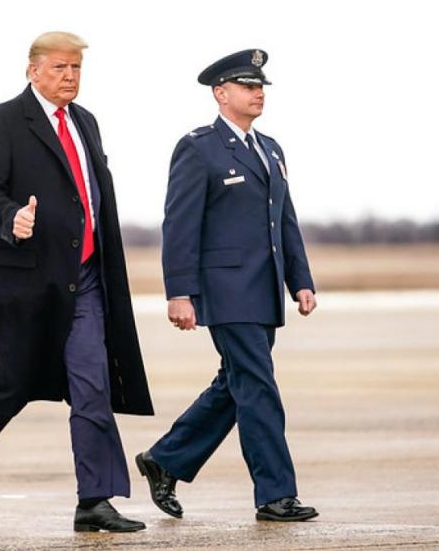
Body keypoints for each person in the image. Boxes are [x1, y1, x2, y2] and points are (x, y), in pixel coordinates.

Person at [0, 32, 154, 533]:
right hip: (22, 283)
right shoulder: (1, 121)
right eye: (59, 68)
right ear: (33, 70)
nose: (69, 77)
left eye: (75, 69)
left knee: (92, 385)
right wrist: (12, 220)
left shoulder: (86, 122)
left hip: (85, 278)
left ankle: (94, 500)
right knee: (5, 389)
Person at [134, 49, 320, 523]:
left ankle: (166, 459)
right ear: (221, 93)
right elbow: (179, 224)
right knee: (258, 387)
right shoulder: (199, 148)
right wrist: (179, 293)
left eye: (261, 86)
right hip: (225, 291)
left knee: (234, 385)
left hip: (264, 292)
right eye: (246, 85)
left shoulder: (271, 148)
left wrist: (300, 280)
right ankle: (276, 495)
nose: (258, 93)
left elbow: (286, 221)